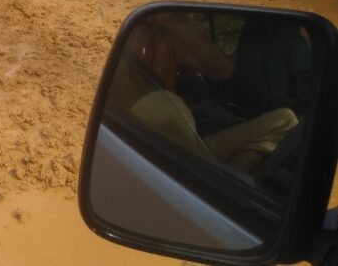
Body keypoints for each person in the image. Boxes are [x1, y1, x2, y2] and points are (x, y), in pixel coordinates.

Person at [109, 12, 298, 173]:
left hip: (172, 144)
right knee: (285, 121)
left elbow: (223, 70)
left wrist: (175, 23)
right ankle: (221, 190)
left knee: (284, 119)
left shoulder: (165, 36)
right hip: (146, 137)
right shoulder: (113, 37)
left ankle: (219, 187)